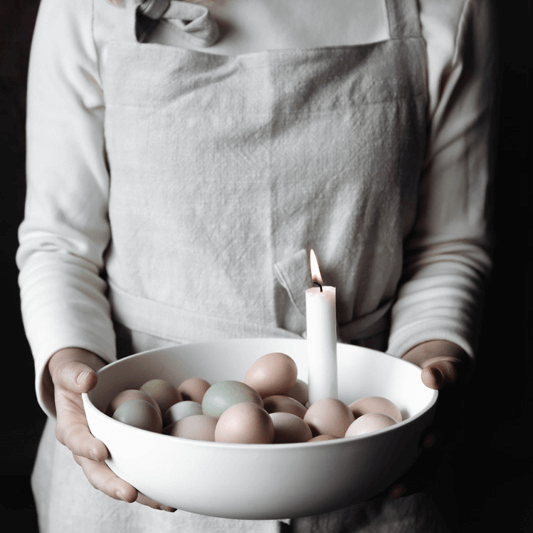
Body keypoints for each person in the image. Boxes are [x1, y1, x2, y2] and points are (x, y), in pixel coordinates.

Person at [17, 0, 495, 531]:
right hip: (138, 459)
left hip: (363, 462)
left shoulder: (449, 8)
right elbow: (61, 241)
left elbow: (447, 244)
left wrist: (431, 358)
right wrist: (73, 369)